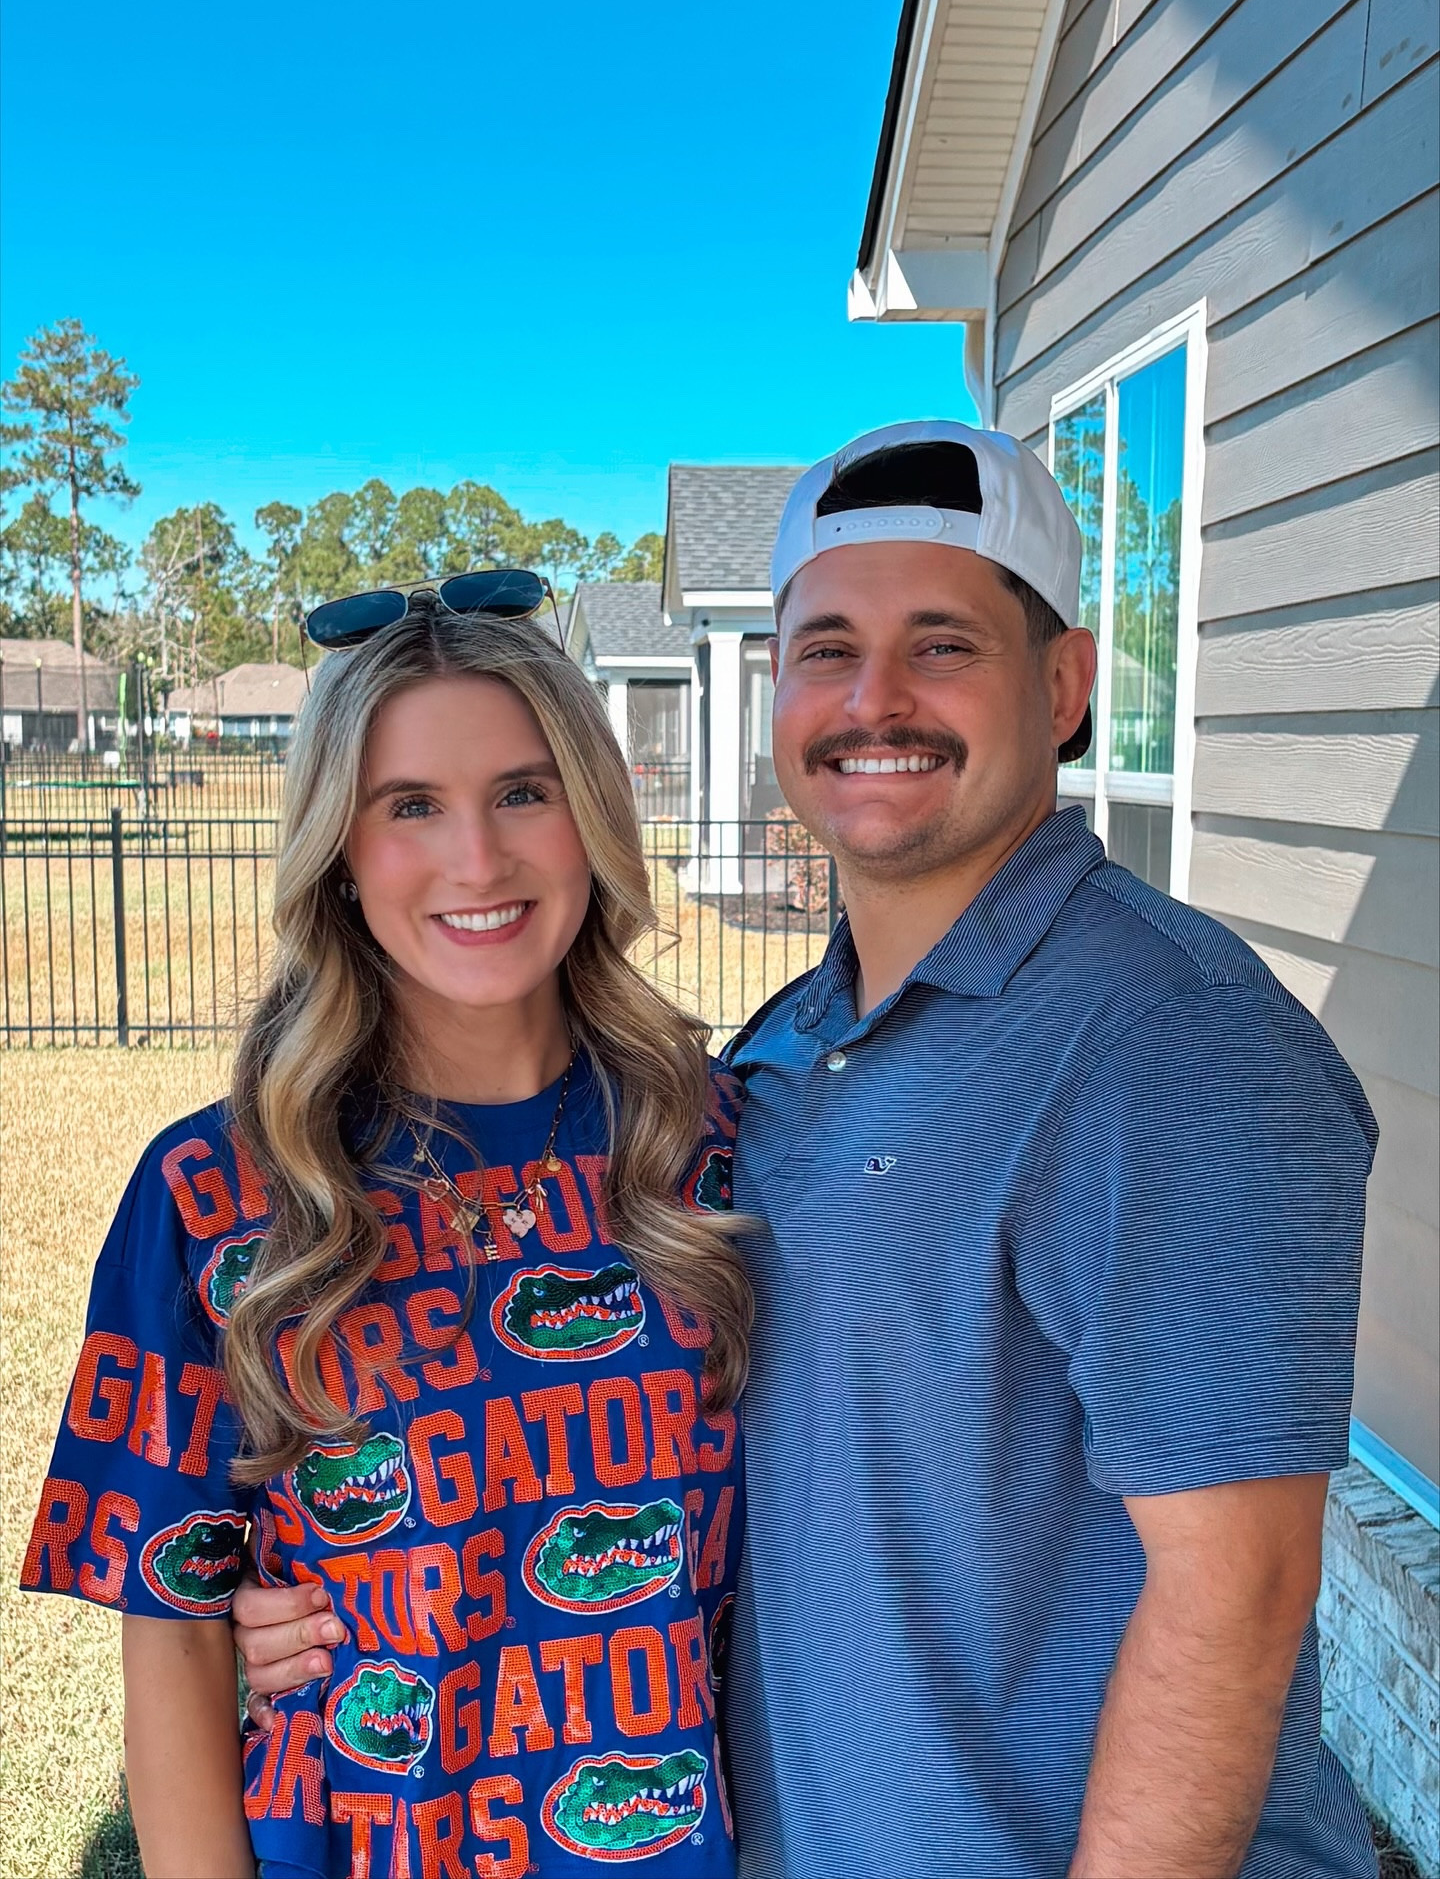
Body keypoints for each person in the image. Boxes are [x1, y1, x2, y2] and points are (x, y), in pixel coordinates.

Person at [231, 422, 1380, 1879]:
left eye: (943, 645)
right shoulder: (767, 1061)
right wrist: (328, 1596)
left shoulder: (1173, 1044)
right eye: (826, 649)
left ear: (1068, 684)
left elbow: (1241, 1589)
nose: (874, 700)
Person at [23, 578, 752, 1879]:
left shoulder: (724, 1143)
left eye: (524, 791)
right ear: (341, 854)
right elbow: (178, 1630)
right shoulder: (214, 1192)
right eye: (408, 806)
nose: (478, 860)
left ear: (591, 815)